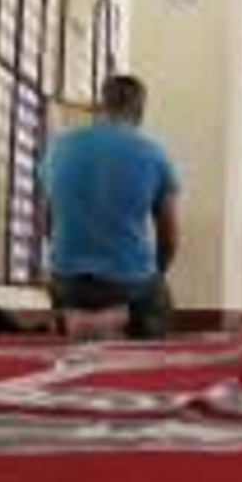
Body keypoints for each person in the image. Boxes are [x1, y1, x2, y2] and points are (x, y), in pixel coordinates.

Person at [41, 74, 179, 339]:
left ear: (101, 105)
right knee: (161, 303)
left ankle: (72, 317)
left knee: (62, 280)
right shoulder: (154, 154)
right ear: (140, 111)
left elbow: (48, 224)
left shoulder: (58, 148)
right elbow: (170, 238)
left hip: (66, 284)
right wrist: (154, 275)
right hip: (127, 286)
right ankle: (124, 319)